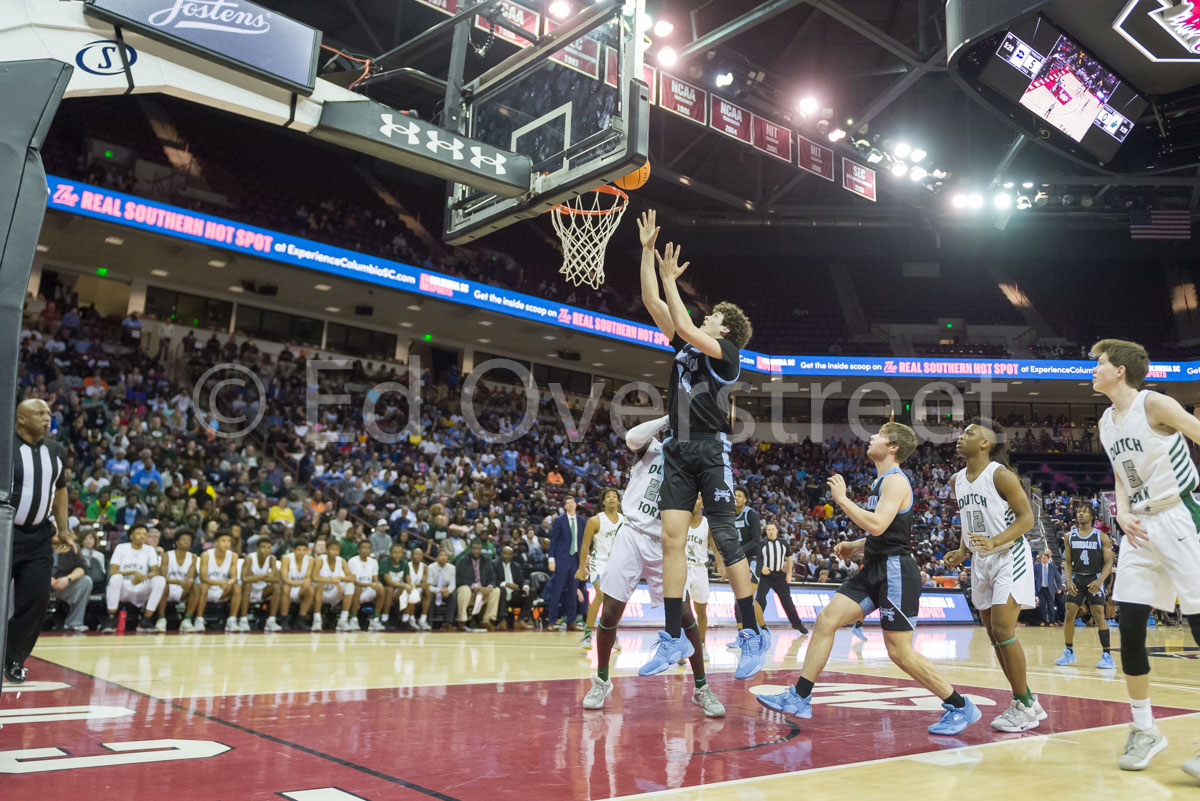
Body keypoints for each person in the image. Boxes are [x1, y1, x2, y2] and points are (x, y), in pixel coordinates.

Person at [757, 423, 981, 736]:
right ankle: (800, 697)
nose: (871, 437)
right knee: (826, 620)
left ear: (892, 447)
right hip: (874, 567)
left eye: (877, 435)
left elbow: (876, 525)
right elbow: (886, 531)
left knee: (899, 652)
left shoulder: (895, 481)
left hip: (895, 573)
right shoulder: (880, 482)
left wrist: (842, 499)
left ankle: (959, 705)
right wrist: (856, 545)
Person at [635, 211, 764, 679]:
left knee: (725, 539)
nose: (705, 316)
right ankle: (672, 637)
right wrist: (648, 254)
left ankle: (751, 631)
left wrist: (674, 279)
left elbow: (688, 326)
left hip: (710, 449)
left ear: (724, 329)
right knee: (671, 538)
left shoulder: (728, 355)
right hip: (677, 449)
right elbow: (653, 302)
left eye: (713, 315)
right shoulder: (688, 347)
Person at [1092, 339, 1200, 775]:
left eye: (1099, 364)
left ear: (1120, 370)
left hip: (1179, 517)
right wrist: (1120, 513)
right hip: (1138, 527)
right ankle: (1144, 728)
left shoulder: (1156, 403)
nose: (1093, 371)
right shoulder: (1105, 420)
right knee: (1130, 627)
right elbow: (1122, 474)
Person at [584, 415, 725, 717]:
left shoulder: (693, 464)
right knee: (610, 610)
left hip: (667, 543)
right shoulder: (652, 448)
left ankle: (701, 687)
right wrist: (665, 418)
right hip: (632, 534)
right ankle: (601, 680)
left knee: (685, 614)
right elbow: (631, 437)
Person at [944, 420, 1044, 732]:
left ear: (986, 443)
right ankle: (1027, 700)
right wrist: (962, 550)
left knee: (1003, 629)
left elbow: (1027, 518)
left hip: (1008, 555)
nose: (961, 437)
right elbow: (969, 520)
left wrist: (996, 542)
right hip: (980, 559)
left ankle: (1024, 705)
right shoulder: (956, 480)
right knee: (992, 635)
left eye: (969, 433)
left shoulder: (1000, 474)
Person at [6, 399, 72, 682]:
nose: (47, 418)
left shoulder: (56, 451)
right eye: (39, 413)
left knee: (36, 600)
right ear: (20, 419)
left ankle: (14, 658)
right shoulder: (5, 446)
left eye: (49, 413)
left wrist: (64, 528)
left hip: (39, 537)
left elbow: (60, 491)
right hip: (5, 534)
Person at [1054, 506, 1116, 669]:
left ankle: (1107, 655)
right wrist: (1069, 580)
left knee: (1098, 615)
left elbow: (1109, 562)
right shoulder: (1069, 536)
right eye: (1079, 511)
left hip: (1094, 578)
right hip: (1077, 579)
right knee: (1069, 614)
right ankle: (1069, 652)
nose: (1080, 513)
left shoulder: (1101, 537)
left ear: (1092, 516)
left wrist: (1101, 580)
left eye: (1085, 511)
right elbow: (1067, 561)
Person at [576, 488, 622, 649]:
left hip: (618, 565)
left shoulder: (626, 521)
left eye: (614, 496)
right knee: (602, 596)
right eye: (608, 497)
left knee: (615, 602)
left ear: (618, 501)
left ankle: (612, 634)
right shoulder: (595, 521)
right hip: (599, 563)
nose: (611, 499)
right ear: (603, 502)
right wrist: (582, 568)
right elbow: (585, 545)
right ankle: (587, 636)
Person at [102, 524, 168, 633]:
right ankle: (111, 618)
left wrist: (144, 576)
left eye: (144, 534)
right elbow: (112, 571)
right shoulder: (121, 548)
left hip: (141, 585)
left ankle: (146, 620)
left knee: (160, 580)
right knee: (116, 578)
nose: (142, 536)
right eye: (139, 533)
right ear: (131, 536)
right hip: (124, 586)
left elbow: (155, 571)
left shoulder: (150, 549)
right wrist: (133, 572)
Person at [756, 522, 808, 634]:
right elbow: (757, 559)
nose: (770, 531)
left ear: (776, 531)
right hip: (766, 575)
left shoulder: (783, 543)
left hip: (779, 575)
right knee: (760, 599)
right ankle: (756, 623)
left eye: (772, 529)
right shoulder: (762, 544)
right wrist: (761, 568)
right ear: (766, 531)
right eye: (768, 529)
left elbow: (789, 558)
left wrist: (789, 574)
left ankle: (797, 624)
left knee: (787, 600)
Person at [545, 497, 586, 631]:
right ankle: (551, 621)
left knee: (573, 591)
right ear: (564, 506)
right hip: (562, 559)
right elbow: (554, 541)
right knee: (557, 590)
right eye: (567, 503)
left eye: (571, 502)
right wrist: (551, 559)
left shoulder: (581, 521)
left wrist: (585, 559)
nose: (570, 504)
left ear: (576, 504)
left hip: (576, 560)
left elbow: (584, 542)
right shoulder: (559, 521)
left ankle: (571, 621)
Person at [684, 494, 714, 661]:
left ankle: (701, 644)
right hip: (683, 569)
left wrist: (721, 563)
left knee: (701, 610)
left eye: (697, 498)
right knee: (683, 609)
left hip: (700, 569)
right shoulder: (681, 519)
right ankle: (683, 644)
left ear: (702, 502)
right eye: (692, 498)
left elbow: (715, 546)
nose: (694, 502)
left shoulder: (707, 524)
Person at [194, 531, 241, 632]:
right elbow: (203, 578)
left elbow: (234, 577)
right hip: (208, 589)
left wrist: (229, 583)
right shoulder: (206, 555)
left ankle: (231, 620)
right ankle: (199, 619)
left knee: (236, 586)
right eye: (223, 541)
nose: (226, 543)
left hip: (223, 590)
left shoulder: (233, 556)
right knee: (204, 586)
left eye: (228, 541)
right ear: (216, 542)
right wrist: (220, 583)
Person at [237, 538, 283, 632]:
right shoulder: (250, 558)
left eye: (269, 547)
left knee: (277, 587)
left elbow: (277, 579)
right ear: (257, 549)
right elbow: (244, 579)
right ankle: (243, 620)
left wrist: (256, 577)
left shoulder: (272, 559)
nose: (266, 550)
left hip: (262, 590)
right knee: (248, 585)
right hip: (248, 590)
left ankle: (271, 621)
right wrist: (264, 576)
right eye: (263, 547)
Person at [49, 536, 92, 634]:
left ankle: (74, 623)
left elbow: (82, 568)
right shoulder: (38, 544)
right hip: (39, 585)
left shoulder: (72, 546)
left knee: (86, 581)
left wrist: (68, 578)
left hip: (62, 586)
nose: (57, 532)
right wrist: (45, 577)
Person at [160, 531, 199, 632]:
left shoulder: (193, 557)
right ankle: (161, 619)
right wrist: (178, 582)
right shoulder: (167, 555)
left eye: (189, 540)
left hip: (183, 589)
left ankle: (187, 620)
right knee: (161, 584)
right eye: (183, 539)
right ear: (176, 542)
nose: (186, 542)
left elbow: (190, 577)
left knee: (195, 586)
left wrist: (189, 581)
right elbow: (162, 577)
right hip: (168, 587)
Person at [455, 540, 498, 632]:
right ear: (470, 549)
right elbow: (460, 580)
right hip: (470, 590)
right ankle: (462, 620)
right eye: (474, 548)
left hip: (483, 592)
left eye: (479, 549)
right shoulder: (462, 561)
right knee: (464, 589)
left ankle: (486, 620)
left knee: (496, 591)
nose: (476, 551)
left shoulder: (486, 561)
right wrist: (477, 587)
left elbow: (492, 578)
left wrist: (489, 587)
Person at [310, 539, 353, 632]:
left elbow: (352, 578)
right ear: (327, 550)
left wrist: (339, 578)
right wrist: (331, 581)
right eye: (332, 549)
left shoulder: (341, 561)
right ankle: (317, 620)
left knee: (350, 585)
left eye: (337, 550)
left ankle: (343, 620)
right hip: (321, 593)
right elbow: (314, 577)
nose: (335, 552)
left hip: (335, 592)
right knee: (320, 584)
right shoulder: (320, 560)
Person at [346, 540, 386, 631]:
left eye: (368, 548)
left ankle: (375, 619)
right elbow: (354, 581)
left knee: (381, 588)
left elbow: (375, 579)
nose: (366, 550)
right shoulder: (352, 561)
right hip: (354, 590)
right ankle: (353, 618)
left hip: (368, 589)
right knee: (357, 587)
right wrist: (370, 584)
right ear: (358, 550)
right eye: (363, 548)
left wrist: (377, 584)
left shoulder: (374, 562)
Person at [279, 540, 314, 631]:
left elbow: (308, 578)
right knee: (286, 587)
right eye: (299, 550)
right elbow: (284, 579)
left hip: (300, 589)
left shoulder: (310, 560)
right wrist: (300, 583)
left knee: (310, 589)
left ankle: (301, 620)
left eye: (304, 550)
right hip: (288, 587)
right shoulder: (286, 558)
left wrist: (303, 584)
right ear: (293, 550)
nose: (301, 552)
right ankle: (284, 620)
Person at [495, 545, 531, 629]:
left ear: (512, 555)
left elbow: (522, 580)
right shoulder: (494, 564)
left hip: (514, 593)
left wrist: (525, 587)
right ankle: (502, 620)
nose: (507, 556)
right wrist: (506, 584)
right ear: (501, 554)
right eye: (505, 554)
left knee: (531, 592)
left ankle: (519, 620)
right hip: (501, 593)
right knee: (502, 590)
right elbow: (493, 581)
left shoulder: (516, 566)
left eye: (509, 554)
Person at [380, 543, 414, 630]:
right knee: (390, 589)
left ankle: (405, 620)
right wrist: (404, 585)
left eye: (399, 552)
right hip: (385, 589)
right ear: (390, 553)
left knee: (411, 590)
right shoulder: (385, 562)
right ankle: (384, 618)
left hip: (399, 589)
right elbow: (388, 581)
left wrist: (410, 585)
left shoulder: (405, 563)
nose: (397, 554)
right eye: (395, 552)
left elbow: (408, 579)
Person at [1033, 551, 1062, 627]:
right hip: (1041, 589)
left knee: (1050, 605)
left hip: (1050, 589)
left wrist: (1059, 588)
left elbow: (1058, 578)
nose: (1043, 559)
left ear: (1048, 559)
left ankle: (1052, 621)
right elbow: (1033, 577)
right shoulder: (1036, 566)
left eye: (1045, 558)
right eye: (1042, 558)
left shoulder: (1052, 567)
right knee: (1042, 606)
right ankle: (1043, 621)